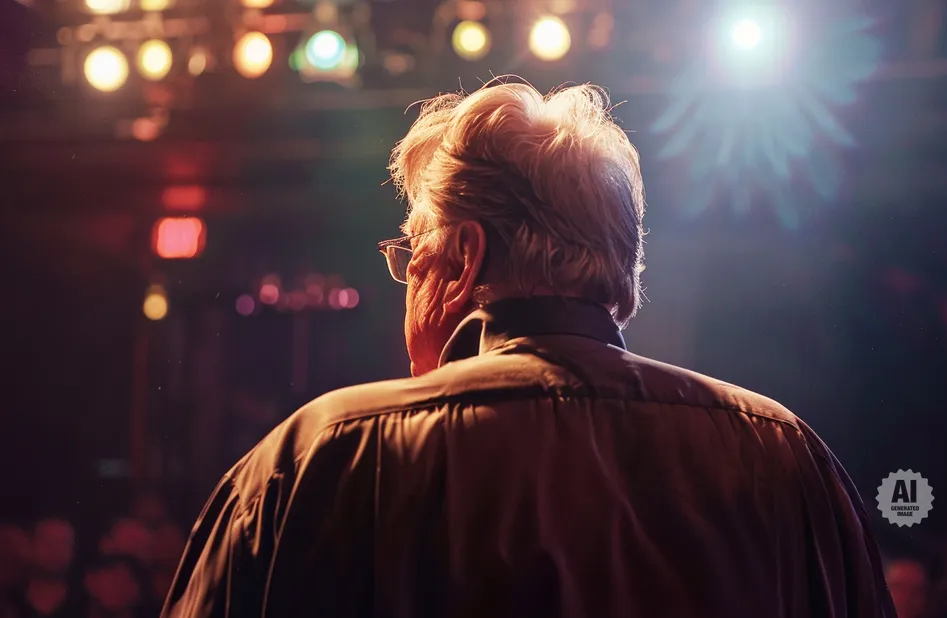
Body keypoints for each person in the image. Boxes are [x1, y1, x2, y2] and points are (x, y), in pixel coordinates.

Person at [163, 80, 895, 617]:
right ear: (620, 273)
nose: (408, 277)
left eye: (411, 253)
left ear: (463, 259)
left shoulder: (322, 455)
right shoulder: (783, 456)